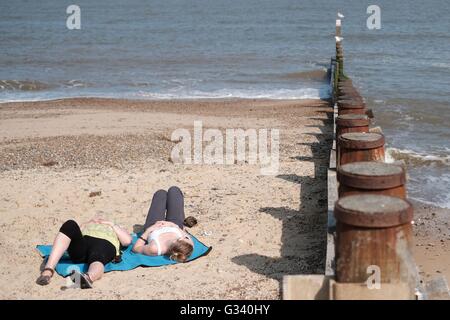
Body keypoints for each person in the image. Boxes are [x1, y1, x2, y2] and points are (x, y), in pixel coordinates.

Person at [36, 218, 132, 288]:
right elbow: (72, 234)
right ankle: (48, 271)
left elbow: (127, 241)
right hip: (83, 245)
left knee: (97, 257)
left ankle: (88, 277)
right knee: (70, 224)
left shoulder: (115, 227)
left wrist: (111, 224)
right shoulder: (89, 224)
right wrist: (87, 223)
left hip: (104, 243)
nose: (101, 219)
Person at [132, 186, 194, 262]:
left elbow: (136, 249)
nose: (184, 237)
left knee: (160, 194)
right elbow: (185, 233)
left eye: (182, 238)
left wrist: (148, 231)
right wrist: (174, 226)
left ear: (176, 241)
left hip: (153, 226)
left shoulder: (155, 248)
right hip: (174, 225)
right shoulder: (189, 246)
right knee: (174, 190)